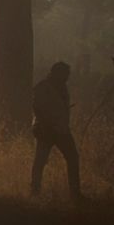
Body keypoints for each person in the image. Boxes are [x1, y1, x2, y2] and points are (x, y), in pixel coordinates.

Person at [30, 61, 83, 200]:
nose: (67, 77)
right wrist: (44, 125)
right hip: (46, 130)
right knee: (41, 162)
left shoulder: (62, 87)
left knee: (72, 158)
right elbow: (37, 108)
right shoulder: (43, 87)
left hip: (61, 130)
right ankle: (35, 191)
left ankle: (75, 193)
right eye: (65, 74)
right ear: (56, 73)